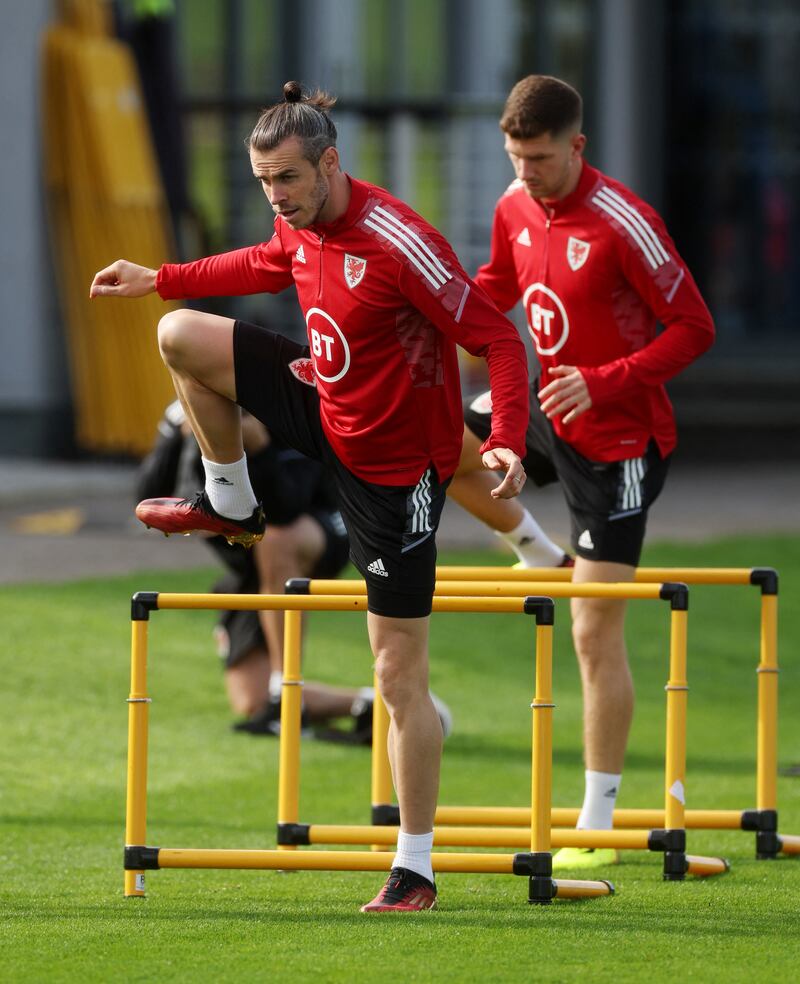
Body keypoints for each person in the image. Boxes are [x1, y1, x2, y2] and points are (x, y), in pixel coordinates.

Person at [90, 81, 529, 912]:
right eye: (263, 182)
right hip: (325, 404)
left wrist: (504, 434)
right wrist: (161, 276)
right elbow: (264, 261)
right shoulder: (296, 224)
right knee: (178, 331)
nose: (277, 198)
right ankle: (229, 498)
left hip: (397, 471)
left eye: (287, 180)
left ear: (330, 162)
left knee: (397, 670)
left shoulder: (400, 240)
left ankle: (416, 866)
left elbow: (497, 338)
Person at [447, 75, 715, 870]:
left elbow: (694, 328)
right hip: (547, 412)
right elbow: (498, 284)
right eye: (515, 157)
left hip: (622, 443)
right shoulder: (512, 205)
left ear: (577, 145)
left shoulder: (626, 222)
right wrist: (440, 319)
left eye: (539, 158)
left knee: (592, 630)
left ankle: (597, 819)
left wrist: (605, 379)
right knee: (441, 446)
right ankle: (536, 550)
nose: (525, 173)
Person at [136, 399, 368, 738]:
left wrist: (258, 451)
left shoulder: (277, 408)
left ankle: (284, 685)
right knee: (250, 701)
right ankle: (367, 704)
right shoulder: (188, 409)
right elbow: (147, 500)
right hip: (250, 560)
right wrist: (175, 433)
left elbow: (289, 508)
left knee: (276, 538)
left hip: (325, 528)